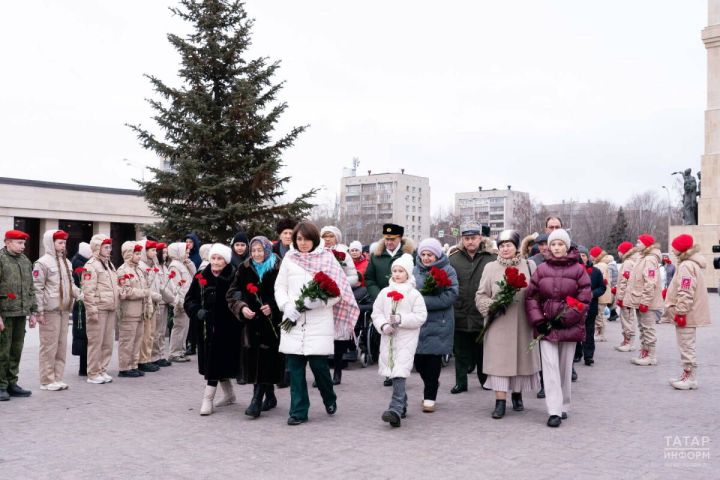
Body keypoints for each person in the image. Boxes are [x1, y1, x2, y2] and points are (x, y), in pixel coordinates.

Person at [274, 222, 359, 425]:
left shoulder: (326, 258)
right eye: (299, 239)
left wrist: (318, 302)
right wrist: (286, 305)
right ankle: (298, 411)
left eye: (307, 239)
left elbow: (338, 292)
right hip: (293, 319)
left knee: (319, 368)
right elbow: (280, 287)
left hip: (318, 321)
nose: (303, 243)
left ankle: (329, 397)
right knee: (295, 369)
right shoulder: (289, 258)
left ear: (315, 239)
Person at [525, 228, 591, 427]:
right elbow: (531, 297)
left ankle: (564, 405)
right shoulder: (542, 269)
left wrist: (567, 317)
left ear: (567, 246)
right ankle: (553, 410)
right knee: (550, 368)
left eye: (560, 244)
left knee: (563, 368)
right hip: (546, 327)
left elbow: (584, 298)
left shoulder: (579, 270)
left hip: (569, 326)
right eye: (553, 244)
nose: (556, 248)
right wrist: (539, 320)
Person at [475, 230, 539, 419]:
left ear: (516, 247)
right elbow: (480, 295)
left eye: (509, 245)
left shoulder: (529, 265)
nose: (505, 249)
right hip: (498, 323)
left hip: (522, 322)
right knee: (499, 362)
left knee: (520, 360)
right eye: (502, 245)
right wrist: (492, 305)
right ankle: (500, 401)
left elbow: (537, 291)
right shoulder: (490, 267)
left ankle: (517, 395)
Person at [227, 236, 284, 417]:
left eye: (260, 250)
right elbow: (233, 293)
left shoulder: (278, 267)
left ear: (267, 250)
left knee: (267, 358)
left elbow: (286, 291)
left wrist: (273, 307)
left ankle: (256, 400)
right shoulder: (244, 268)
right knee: (255, 359)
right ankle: (270, 396)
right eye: (253, 251)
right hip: (251, 322)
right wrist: (241, 307)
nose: (257, 254)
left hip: (272, 322)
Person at [371, 253, 427, 428]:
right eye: (394, 271)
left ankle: (394, 409)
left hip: (406, 339)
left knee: (399, 372)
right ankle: (402, 405)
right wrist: (383, 326)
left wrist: (401, 319)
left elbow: (420, 316)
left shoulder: (414, 294)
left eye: (400, 271)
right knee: (395, 371)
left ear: (408, 274)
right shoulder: (384, 292)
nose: (396, 274)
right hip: (388, 338)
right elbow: (376, 313)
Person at [185, 243, 240, 416]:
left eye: (220, 259)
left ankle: (208, 399)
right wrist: (197, 311)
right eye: (213, 258)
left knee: (217, 363)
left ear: (226, 260)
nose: (215, 262)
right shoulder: (201, 276)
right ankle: (228, 395)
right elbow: (189, 300)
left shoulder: (234, 275)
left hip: (228, 328)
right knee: (213, 362)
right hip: (207, 328)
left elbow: (241, 297)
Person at [365, 223, 415, 387]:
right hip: (385, 302)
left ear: (400, 238)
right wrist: (378, 295)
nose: (389, 242)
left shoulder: (409, 255)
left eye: (392, 239)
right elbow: (369, 278)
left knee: (402, 339)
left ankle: (401, 371)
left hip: (404, 303)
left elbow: (415, 277)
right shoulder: (376, 255)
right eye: (386, 239)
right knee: (387, 339)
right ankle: (389, 372)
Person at [413, 238, 459, 413]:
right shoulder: (414, 270)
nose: (426, 258)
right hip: (419, 323)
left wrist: (421, 301)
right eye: (423, 254)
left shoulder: (448, 270)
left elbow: (451, 295)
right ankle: (431, 383)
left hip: (440, 321)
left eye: (429, 255)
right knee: (419, 362)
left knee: (433, 361)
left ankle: (429, 397)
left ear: (437, 255)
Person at [449, 222, 495, 394]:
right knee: (460, 350)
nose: (470, 242)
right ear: (462, 239)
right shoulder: (453, 258)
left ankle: (485, 380)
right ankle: (461, 382)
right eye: (467, 238)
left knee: (482, 349)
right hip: (459, 309)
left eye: (473, 238)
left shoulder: (490, 257)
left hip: (481, 311)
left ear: (480, 238)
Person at [662, 234, 711, 389]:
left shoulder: (686, 266)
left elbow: (686, 290)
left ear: (681, 249)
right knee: (686, 344)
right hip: (687, 312)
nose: (671, 249)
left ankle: (690, 377)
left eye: (674, 247)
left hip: (686, 313)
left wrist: (680, 312)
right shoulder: (689, 263)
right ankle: (687, 374)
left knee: (686, 345)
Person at [32, 229, 79, 391]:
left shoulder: (67, 262)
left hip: (64, 310)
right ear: (50, 243)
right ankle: (46, 380)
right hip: (50, 310)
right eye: (59, 242)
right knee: (49, 346)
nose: (63, 245)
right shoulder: (42, 263)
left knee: (61, 345)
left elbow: (71, 284)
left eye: (64, 242)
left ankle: (57, 378)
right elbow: (37, 288)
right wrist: (39, 311)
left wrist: (79, 294)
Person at [0, 229, 38, 400]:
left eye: (24, 243)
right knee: (2, 351)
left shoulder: (25, 261)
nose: (23, 246)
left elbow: (31, 288)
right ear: (8, 242)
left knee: (16, 350)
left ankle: (11, 382)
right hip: (5, 313)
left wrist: (34, 311)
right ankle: (1, 385)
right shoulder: (1, 260)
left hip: (20, 312)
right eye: (19, 243)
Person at [320, 225, 358, 385]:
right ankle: (322, 374)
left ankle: (337, 370)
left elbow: (354, 276)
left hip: (340, 298)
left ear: (337, 238)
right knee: (322, 336)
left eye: (331, 236)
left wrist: (339, 283)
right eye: (325, 236)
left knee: (338, 337)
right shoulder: (317, 252)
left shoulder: (344, 254)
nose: (328, 239)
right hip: (322, 297)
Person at [82, 234, 120, 384]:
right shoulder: (91, 265)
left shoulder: (109, 264)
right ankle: (93, 373)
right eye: (106, 247)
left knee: (107, 343)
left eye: (110, 247)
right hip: (99, 309)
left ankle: (102, 370)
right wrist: (92, 310)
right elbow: (88, 290)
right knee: (96, 343)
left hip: (110, 308)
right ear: (98, 248)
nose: (109, 250)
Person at [116, 242, 153, 378]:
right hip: (129, 312)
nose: (138, 256)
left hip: (140, 312)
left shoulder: (139, 270)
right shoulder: (123, 270)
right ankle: (124, 367)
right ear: (129, 254)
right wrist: (143, 293)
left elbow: (147, 288)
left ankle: (133, 365)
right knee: (127, 340)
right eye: (136, 254)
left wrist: (147, 305)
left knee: (137, 339)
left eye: (139, 254)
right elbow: (124, 291)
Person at [625, 234, 663, 366]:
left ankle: (651, 356)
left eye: (639, 242)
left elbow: (650, 282)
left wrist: (645, 302)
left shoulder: (650, 260)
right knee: (643, 328)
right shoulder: (643, 258)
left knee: (648, 329)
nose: (636, 245)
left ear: (646, 245)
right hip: (639, 300)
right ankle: (645, 352)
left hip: (646, 302)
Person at [145, 240, 172, 368]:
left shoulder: (164, 267)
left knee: (162, 331)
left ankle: (160, 355)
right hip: (159, 301)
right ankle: (154, 356)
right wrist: (171, 298)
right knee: (156, 332)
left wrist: (171, 298)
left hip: (164, 301)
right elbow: (160, 287)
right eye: (163, 252)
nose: (165, 255)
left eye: (167, 253)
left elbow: (168, 285)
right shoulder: (154, 267)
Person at [578, 246, 606, 367]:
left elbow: (602, 287)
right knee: (576, 331)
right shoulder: (573, 270)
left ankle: (588, 356)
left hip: (591, 306)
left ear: (587, 257)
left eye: (583, 255)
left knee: (589, 331)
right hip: (576, 306)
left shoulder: (595, 271)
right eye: (579, 255)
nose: (581, 258)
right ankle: (576, 354)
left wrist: (593, 293)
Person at [167, 242, 194, 363]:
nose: (188, 254)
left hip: (187, 300)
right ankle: (174, 352)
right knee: (179, 326)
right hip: (181, 301)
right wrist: (181, 301)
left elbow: (194, 277)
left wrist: (191, 265)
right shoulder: (174, 266)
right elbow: (176, 286)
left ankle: (181, 350)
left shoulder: (183, 264)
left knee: (184, 327)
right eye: (186, 251)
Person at [614, 241, 640, 352]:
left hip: (626, 296)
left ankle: (629, 342)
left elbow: (625, 281)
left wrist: (620, 296)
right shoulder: (630, 262)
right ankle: (626, 340)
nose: (618, 253)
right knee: (626, 318)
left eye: (619, 251)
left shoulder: (628, 263)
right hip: (626, 295)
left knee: (627, 319)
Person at [71, 241, 92, 376]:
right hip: (81, 302)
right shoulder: (80, 264)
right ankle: (84, 368)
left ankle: (85, 367)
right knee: (83, 336)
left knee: (83, 336)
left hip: (82, 301)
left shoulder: (78, 261)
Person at [589, 246, 612, 341]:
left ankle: (600, 334)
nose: (590, 257)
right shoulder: (601, 264)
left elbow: (600, 280)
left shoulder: (600, 266)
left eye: (591, 255)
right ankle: (600, 333)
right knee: (600, 314)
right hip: (603, 294)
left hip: (601, 295)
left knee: (599, 315)